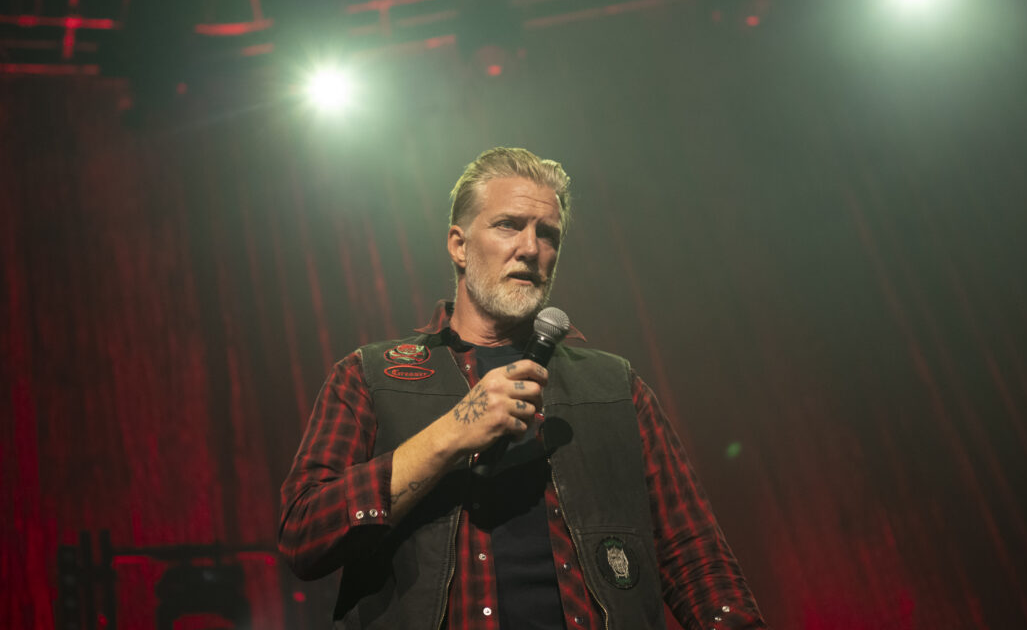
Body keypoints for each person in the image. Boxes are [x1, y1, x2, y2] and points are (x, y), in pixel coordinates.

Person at [278, 147, 766, 630]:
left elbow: (697, 559)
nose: (531, 248)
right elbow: (304, 534)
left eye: (548, 234)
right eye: (508, 225)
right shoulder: (369, 375)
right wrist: (450, 434)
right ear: (459, 245)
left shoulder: (617, 388)